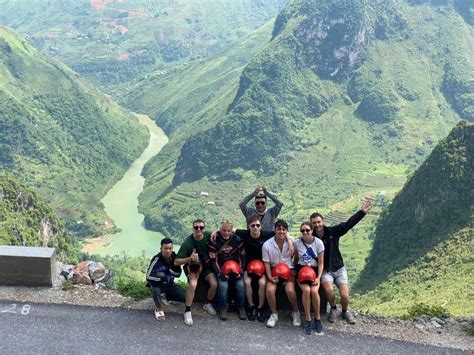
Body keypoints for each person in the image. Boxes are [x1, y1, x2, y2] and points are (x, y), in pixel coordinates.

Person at [311, 198, 372, 324]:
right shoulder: (311, 237)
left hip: (339, 268)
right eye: (314, 223)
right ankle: (333, 308)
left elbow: (348, 224)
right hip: (325, 269)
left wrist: (362, 212)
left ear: (323, 222)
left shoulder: (333, 231)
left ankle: (344, 311)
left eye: (319, 222)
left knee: (345, 295)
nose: (317, 225)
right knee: (329, 290)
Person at [175, 219, 218, 326]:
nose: (199, 229)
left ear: (204, 229)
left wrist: (216, 231)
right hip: (193, 267)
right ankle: (187, 310)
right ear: (193, 228)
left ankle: (207, 303)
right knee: (193, 284)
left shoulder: (208, 235)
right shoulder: (188, 243)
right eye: (196, 227)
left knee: (214, 283)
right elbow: (176, 262)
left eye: (201, 227)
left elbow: (223, 231)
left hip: (206, 266)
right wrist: (190, 258)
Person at [235, 214, 274, 322]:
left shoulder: (266, 235)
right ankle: (251, 306)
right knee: (247, 282)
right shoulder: (245, 234)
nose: (255, 228)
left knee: (262, 283)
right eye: (253, 226)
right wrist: (216, 232)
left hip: (262, 266)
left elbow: (281, 233)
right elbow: (230, 230)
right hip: (249, 265)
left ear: (261, 226)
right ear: (249, 227)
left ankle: (260, 307)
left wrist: (289, 241)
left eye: (257, 225)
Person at [262, 219, 300, 328]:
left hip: (288, 269)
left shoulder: (292, 241)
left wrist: (291, 243)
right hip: (274, 270)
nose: (281, 232)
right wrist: (269, 277)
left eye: (284, 230)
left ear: (287, 231)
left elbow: (303, 240)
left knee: (290, 289)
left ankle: (296, 312)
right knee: (269, 290)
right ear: (274, 230)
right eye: (279, 229)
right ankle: (274, 314)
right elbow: (266, 263)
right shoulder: (267, 245)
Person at [208, 220, 246, 321]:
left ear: (232, 231)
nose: (226, 233)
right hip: (221, 269)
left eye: (229, 231)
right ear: (220, 230)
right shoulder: (214, 241)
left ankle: (241, 307)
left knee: (241, 285)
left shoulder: (238, 240)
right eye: (224, 230)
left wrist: (240, 271)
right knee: (223, 285)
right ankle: (223, 308)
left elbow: (242, 257)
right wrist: (220, 273)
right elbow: (213, 260)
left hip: (236, 269)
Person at [294, 222, 325, 335]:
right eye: (303, 231)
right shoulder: (297, 243)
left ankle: (317, 318)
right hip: (302, 270)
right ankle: (307, 318)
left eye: (307, 230)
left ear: (312, 230)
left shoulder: (319, 243)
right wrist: (293, 271)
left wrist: (318, 277)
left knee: (314, 291)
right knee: (306, 290)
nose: (305, 232)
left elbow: (321, 263)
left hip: (315, 271)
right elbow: (296, 259)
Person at [146, 237, 185, 321]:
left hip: (170, 284)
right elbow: (148, 276)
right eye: (165, 248)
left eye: (170, 248)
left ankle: (166, 296)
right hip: (158, 285)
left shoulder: (174, 257)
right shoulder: (156, 259)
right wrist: (163, 278)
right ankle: (159, 308)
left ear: (172, 249)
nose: (168, 251)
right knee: (155, 288)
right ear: (161, 249)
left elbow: (178, 274)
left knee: (184, 296)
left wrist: (169, 271)